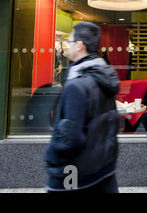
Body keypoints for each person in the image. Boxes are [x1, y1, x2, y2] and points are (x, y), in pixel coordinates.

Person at [44, 22, 120, 193]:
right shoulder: (105, 78)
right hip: (104, 168)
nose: (67, 47)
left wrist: (51, 158)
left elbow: (70, 138)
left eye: (69, 42)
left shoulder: (75, 85)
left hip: (76, 173)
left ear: (79, 45)